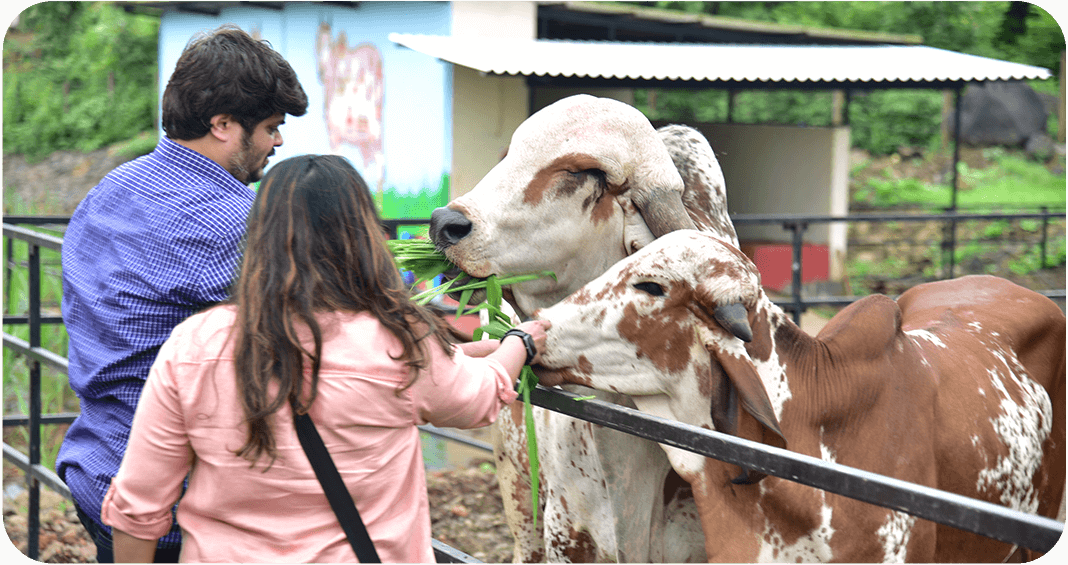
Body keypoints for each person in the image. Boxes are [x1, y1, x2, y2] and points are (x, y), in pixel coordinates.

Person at [98, 154, 550, 563]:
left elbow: (138, 508)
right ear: (363, 236)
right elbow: (476, 398)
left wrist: (453, 356)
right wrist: (521, 342)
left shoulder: (194, 344)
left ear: (260, 234)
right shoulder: (402, 342)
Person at [57, 25, 308, 563]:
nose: (278, 142)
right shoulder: (231, 220)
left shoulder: (114, 186)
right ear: (222, 125)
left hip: (97, 466)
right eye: (270, 127)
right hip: (176, 505)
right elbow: (335, 305)